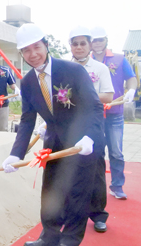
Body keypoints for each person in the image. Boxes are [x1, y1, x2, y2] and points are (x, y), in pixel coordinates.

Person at [2, 23, 105, 246]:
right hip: (54, 144)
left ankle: (69, 240)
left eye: (37, 47)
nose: (33, 54)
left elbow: (95, 108)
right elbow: (27, 119)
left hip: (82, 142)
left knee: (78, 194)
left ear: (46, 45)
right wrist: (16, 154)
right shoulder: (27, 82)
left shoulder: (73, 71)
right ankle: (49, 238)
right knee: (50, 193)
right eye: (26, 50)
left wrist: (90, 137)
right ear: (21, 54)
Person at [66, 26, 114, 233]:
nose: (78, 47)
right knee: (69, 169)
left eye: (82, 43)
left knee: (95, 171)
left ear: (89, 45)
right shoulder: (64, 68)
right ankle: (72, 212)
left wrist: (82, 97)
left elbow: (109, 96)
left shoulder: (100, 68)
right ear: (71, 46)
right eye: (75, 43)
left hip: (93, 124)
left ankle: (98, 214)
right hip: (68, 125)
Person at [90, 26, 137, 201]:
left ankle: (117, 186)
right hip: (94, 114)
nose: (97, 44)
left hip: (115, 112)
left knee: (116, 151)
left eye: (100, 39)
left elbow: (131, 78)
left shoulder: (119, 58)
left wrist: (132, 90)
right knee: (96, 151)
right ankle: (98, 186)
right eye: (94, 40)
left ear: (106, 40)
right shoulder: (86, 61)